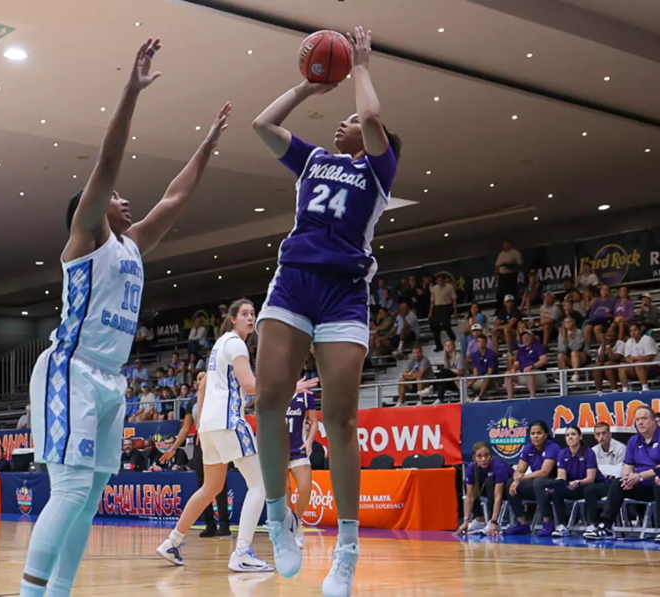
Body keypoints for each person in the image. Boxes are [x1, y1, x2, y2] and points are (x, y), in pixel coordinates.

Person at [19, 39, 230, 597]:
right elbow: (108, 164)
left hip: (112, 377)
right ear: (92, 206)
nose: (125, 200)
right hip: (72, 369)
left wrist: (206, 146)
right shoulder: (86, 238)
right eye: (116, 198)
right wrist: (131, 92)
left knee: (89, 501)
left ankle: (57, 592)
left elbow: (176, 197)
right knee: (67, 492)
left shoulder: (132, 246)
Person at [251, 26, 403, 596]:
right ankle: (275, 516)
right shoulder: (313, 159)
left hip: (343, 293)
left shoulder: (378, 174)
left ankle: (347, 547)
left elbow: (368, 120)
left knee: (340, 419)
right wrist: (309, 86)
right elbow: (262, 126)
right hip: (294, 282)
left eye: (353, 124)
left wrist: (360, 65)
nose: (343, 123)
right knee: (268, 398)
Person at [156, 299, 317, 572]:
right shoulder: (236, 344)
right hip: (230, 423)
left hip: (208, 426)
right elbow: (250, 385)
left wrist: (203, 421)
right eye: (244, 314)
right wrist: (292, 385)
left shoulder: (219, 345)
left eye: (253, 313)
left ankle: (172, 542)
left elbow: (206, 387)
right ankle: (241, 553)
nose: (250, 318)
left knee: (210, 488)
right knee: (260, 485)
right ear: (232, 319)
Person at [585, 406, 660, 540]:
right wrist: (627, 478)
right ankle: (605, 526)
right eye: (637, 419)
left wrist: (639, 476)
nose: (640, 422)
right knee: (617, 483)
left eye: (644, 419)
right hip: (642, 485)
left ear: (653, 421)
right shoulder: (634, 440)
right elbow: (628, 464)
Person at [164, 371, 231, 537]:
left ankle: (224, 524)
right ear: (195, 383)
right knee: (203, 485)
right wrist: (173, 448)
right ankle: (210, 524)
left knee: (220, 485)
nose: (202, 380)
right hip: (200, 445)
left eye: (204, 377)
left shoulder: (218, 396)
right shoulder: (192, 402)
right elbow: (186, 429)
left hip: (217, 441)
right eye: (199, 378)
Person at [537, 426, 602, 537]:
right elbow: (561, 477)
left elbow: (590, 478)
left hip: (591, 485)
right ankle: (562, 526)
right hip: (574, 486)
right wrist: (555, 486)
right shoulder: (562, 454)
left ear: (580, 437)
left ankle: (593, 525)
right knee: (556, 491)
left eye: (573, 434)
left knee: (589, 489)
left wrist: (578, 482)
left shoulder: (589, 452)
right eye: (567, 435)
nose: (570, 437)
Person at [505, 421, 559, 536]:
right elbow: (519, 470)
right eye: (532, 433)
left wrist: (520, 479)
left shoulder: (552, 447)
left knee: (539, 482)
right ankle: (522, 524)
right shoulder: (529, 448)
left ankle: (548, 523)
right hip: (536, 485)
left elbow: (545, 472)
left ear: (545, 434)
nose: (535, 436)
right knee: (510, 483)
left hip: (554, 483)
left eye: (539, 433)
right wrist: (516, 478)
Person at [455, 442, 517, 535]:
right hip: (487, 490)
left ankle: (492, 520)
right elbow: (470, 496)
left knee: (490, 481)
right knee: (468, 484)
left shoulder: (498, 466)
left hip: (507, 490)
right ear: (474, 458)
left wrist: (494, 522)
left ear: (491, 456)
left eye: (486, 455)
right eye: (479, 456)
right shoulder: (471, 468)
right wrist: (466, 521)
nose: (483, 459)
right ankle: (479, 520)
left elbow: (498, 496)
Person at [287, 390, 319, 548]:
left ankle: (297, 521)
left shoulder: (306, 395)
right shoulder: (277, 391)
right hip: (278, 451)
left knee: (306, 488)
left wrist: (310, 441)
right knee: (285, 492)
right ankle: (289, 528)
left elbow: (314, 421)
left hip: (299, 449)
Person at [504, 329, 547, 399]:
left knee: (530, 372)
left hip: (538, 373)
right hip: (524, 373)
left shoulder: (538, 347)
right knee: (508, 374)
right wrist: (513, 369)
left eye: (527, 337)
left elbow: (543, 360)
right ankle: (510, 398)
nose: (525, 339)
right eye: (523, 337)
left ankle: (532, 396)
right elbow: (517, 363)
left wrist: (532, 366)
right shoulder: (521, 350)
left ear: (532, 337)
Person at [617, 323, 660, 392]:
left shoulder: (648, 339)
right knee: (622, 367)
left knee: (638, 364)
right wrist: (635, 359)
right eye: (631, 331)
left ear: (640, 330)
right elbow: (627, 358)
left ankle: (645, 387)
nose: (633, 333)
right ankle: (625, 389)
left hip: (653, 366)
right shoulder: (629, 341)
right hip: (635, 366)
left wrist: (635, 359)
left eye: (635, 330)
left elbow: (649, 358)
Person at [429, 274, 457, 351]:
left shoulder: (449, 287)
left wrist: (455, 311)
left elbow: (454, 299)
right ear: (436, 281)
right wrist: (430, 312)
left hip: (446, 306)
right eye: (438, 280)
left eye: (441, 280)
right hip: (437, 307)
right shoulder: (434, 288)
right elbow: (432, 301)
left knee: (446, 324)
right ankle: (438, 345)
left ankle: (452, 337)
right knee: (435, 327)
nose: (440, 282)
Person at [556, 315, 588, 383]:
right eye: (566, 322)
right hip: (569, 357)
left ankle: (576, 375)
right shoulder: (561, 334)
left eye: (569, 322)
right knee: (560, 356)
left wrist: (571, 338)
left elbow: (577, 348)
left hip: (582, 356)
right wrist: (564, 341)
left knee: (574, 353)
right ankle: (562, 377)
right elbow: (561, 350)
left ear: (573, 323)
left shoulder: (578, 332)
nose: (567, 324)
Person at [583, 285, 615, 351]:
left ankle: (603, 349)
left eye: (606, 290)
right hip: (596, 320)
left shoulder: (613, 301)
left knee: (597, 328)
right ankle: (586, 351)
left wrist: (603, 315)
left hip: (606, 322)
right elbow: (591, 315)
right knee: (587, 328)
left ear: (609, 291)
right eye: (603, 290)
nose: (604, 291)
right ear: (600, 291)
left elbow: (611, 315)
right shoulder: (596, 302)